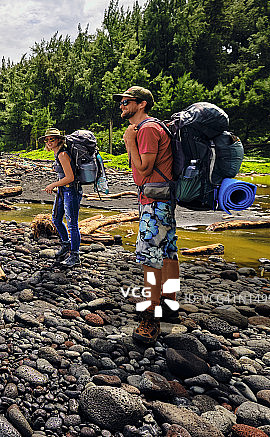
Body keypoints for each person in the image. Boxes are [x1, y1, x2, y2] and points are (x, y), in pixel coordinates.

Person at [114, 86, 179, 345]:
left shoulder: (148, 129)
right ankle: (170, 304)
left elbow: (143, 168)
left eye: (126, 102)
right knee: (168, 252)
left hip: (155, 201)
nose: (121, 105)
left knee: (150, 256)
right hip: (161, 198)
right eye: (121, 102)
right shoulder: (151, 127)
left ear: (141, 104)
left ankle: (152, 311)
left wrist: (129, 142)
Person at [39, 127, 82, 268]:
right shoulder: (57, 154)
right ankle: (65, 245)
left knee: (72, 224)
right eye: (47, 140)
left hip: (71, 191)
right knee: (56, 219)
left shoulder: (63, 154)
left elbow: (70, 177)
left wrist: (53, 185)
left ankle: (75, 255)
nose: (49, 142)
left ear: (59, 140)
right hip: (63, 191)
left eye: (52, 139)